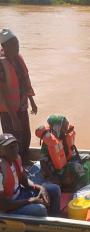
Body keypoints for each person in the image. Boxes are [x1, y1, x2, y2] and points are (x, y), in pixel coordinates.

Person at [0, 133, 60, 217]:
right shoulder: (1, 170)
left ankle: (55, 219)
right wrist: (30, 201)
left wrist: (40, 188)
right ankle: (45, 225)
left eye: (15, 146)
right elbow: (3, 206)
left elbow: (24, 181)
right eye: (10, 148)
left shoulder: (15, 159)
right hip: (10, 206)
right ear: (1, 150)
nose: (14, 150)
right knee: (40, 209)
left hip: (22, 194)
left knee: (54, 189)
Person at [0, 29, 38, 162]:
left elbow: (24, 82)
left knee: (26, 134)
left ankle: (25, 160)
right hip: (8, 110)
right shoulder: (1, 63)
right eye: (13, 44)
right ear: (4, 47)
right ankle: (15, 164)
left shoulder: (17, 59)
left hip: (21, 105)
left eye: (17, 43)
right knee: (12, 139)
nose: (17, 47)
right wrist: (13, 117)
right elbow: (2, 94)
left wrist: (32, 102)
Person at [36, 115, 90, 192]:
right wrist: (52, 177)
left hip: (67, 160)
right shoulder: (49, 142)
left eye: (66, 126)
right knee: (78, 167)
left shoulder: (65, 134)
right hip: (57, 169)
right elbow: (43, 162)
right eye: (64, 127)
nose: (66, 129)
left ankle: (88, 182)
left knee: (88, 158)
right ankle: (80, 190)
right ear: (57, 127)